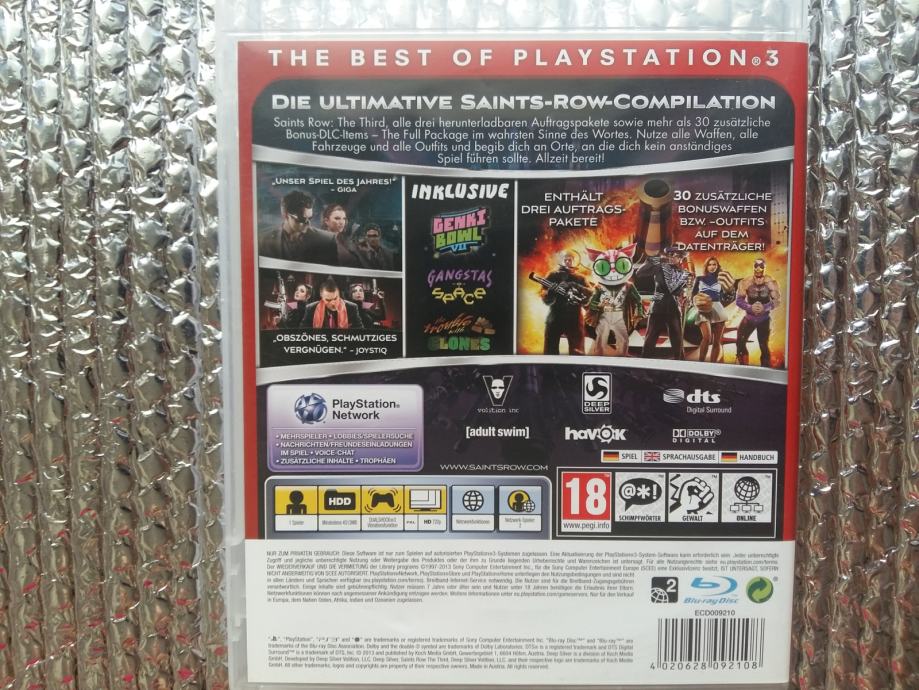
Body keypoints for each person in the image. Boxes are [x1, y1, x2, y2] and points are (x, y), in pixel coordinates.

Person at [637, 247, 690, 359]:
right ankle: (644, 362)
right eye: (670, 254)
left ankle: (681, 363)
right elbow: (640, 272)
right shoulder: (659, 267)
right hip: (657, 306)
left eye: (675, 255)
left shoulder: (684, 274)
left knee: (677, 340)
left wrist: (685, 295)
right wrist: (655, 259)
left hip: (674, 307)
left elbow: (680, 291)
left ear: (681, 258)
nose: (671, 257)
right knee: (650, 338)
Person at [258, 190, 337, 265]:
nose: (308, 223)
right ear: (285, 215)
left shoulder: (327, 240)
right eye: (302, 219)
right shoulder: (263, 241)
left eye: (310, 218)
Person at [735, 257, 780, 367]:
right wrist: (750, 307)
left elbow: (777, 301)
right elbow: (739, 300)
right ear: (753, 267)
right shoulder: (746, 282)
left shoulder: (771, 282)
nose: (758, 269)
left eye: (761, 266)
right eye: (756, 266)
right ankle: (742, 366)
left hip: (764, 319)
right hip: (749, 318)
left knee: (763, 345)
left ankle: (765, 369)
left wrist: (765, 307)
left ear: (765, 267)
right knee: (740, 342)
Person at [541, 250, 588, 355]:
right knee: (550, 352)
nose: (567, 262)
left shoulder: (581, 278)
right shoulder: (552, 275)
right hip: (555, 317)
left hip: (575, 319)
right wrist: (551, 292)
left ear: (574, 261)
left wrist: (574, 286)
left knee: (577, 352)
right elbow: (544, 297)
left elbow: (589, 296)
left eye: (570, 260)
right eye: (565, 259)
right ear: (561, 260)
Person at [691, 257, 734, 363]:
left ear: (717, 266)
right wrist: (697, 303)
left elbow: (725, 298)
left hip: (718, 308)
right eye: (709, 264)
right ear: (706, 266)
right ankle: (701, 363)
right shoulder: (699, 279)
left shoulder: (721, 279)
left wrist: (730, 291)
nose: (712, 267)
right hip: (703, 308)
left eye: (714, 264)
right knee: (707, 338)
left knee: (717, 341)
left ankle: (713, 364)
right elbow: (693, 296)